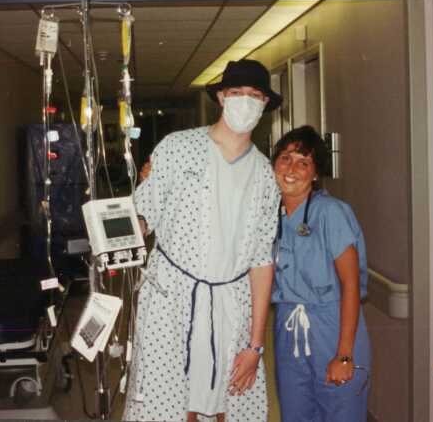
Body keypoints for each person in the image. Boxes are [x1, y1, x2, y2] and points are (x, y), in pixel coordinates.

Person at [123, 59, 283, 421]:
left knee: (231, 402)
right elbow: (143, 217)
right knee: (172, 407)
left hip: (232, 304)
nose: (245, 101)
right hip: (172, 301)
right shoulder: (177, 148)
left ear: (265, 105)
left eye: (255, 95)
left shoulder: (263, 175)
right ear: (222, 98)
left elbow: (261, 261)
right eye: (237, 93)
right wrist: (120, 227)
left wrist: (255, 345)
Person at [267, 125, 371, 421]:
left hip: (333, 326)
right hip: (288, 328)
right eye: (285, 158)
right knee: (296, 413)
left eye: (303, 162)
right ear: (274, 163)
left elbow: (350, 286)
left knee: (340, 411)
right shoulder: (268, 215)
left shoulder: (331, 213)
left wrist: (344, 354)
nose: (292, 169)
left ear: (315, 174)